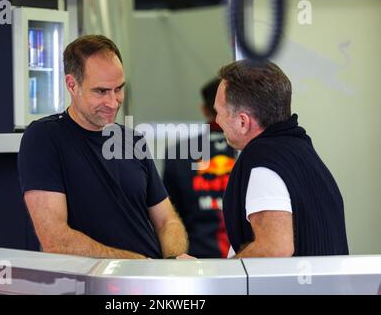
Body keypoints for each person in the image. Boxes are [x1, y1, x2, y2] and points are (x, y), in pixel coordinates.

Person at [18, 35, 188, 259]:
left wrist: (174, 259)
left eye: (118, 89)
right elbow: (55, 239)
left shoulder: (132, 141)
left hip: (150, 279)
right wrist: (135, 263)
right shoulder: (44, 137)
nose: (113, 102)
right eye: (101, 91)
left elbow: (167, 220)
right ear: (72, 84)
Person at [214, 60, 349, 258]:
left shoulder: (261, 161)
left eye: (219, 113)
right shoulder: (303, 150)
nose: (217, 120)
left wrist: (219, 274)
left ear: (243, 122)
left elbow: (275, 248)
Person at [163, 78, 237, 258]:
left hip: (196, 260)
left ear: (204, 110)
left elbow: (170, 213)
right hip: (248, 260)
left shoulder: (180, 151)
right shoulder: (252, 148)